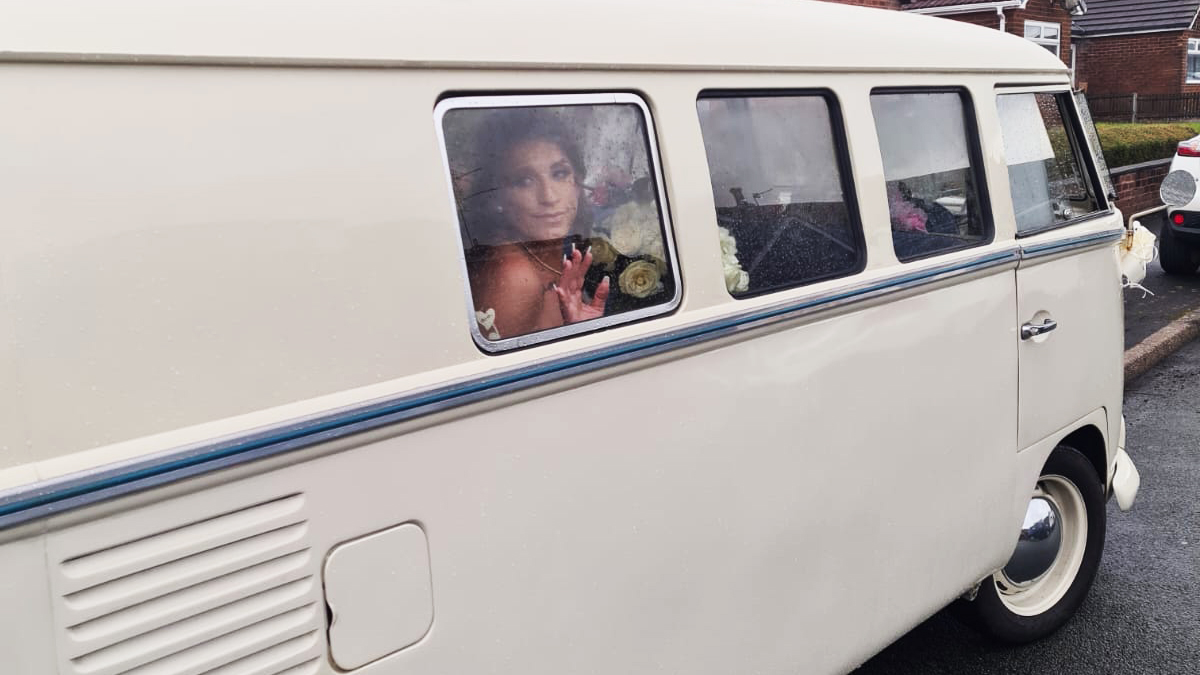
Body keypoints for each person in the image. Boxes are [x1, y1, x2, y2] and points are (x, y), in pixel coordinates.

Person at [463, 109, 610, 340]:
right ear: (498, 196)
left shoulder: (557, 256)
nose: (549, 197)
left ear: (578, 183)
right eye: (525, 181)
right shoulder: (514, 274)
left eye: (560, 173)